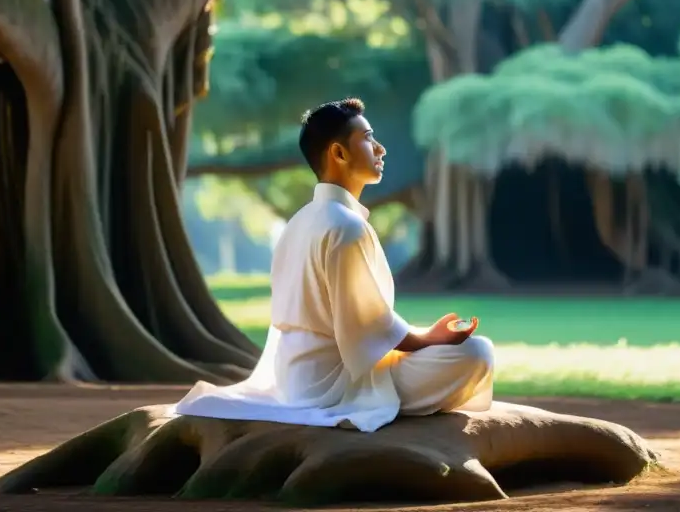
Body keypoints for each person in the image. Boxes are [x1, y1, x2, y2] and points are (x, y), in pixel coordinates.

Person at [175, 98, 494, 432]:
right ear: (339, 153)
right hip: (332, 386)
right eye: (369, 138)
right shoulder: (345, 227)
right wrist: (427, 339)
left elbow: (363, 324)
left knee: (468, 352)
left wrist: (423, 337)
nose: (380, 149)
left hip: (297, 377)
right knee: (476, 353)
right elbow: (368, 330)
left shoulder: (302, 221)